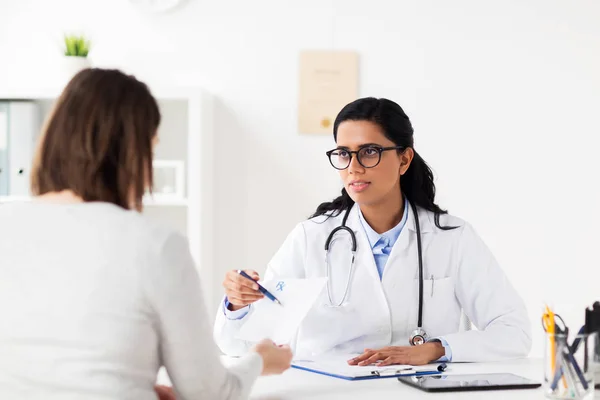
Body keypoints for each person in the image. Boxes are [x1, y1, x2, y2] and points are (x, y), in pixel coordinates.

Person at [0, 68, 292, 399]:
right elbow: (208, 393)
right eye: (150, 148)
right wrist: (259, 361)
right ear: (132, 151)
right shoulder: (155, 243)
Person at [215, 97, 531, 365]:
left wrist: (434, 350)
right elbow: (238, 346)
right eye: (343, 153)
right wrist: (238, 304)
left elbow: (514, 333)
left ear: (404, 158)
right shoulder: (311, 238)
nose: (353, 166)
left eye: (369, 151)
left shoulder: (452, 237)